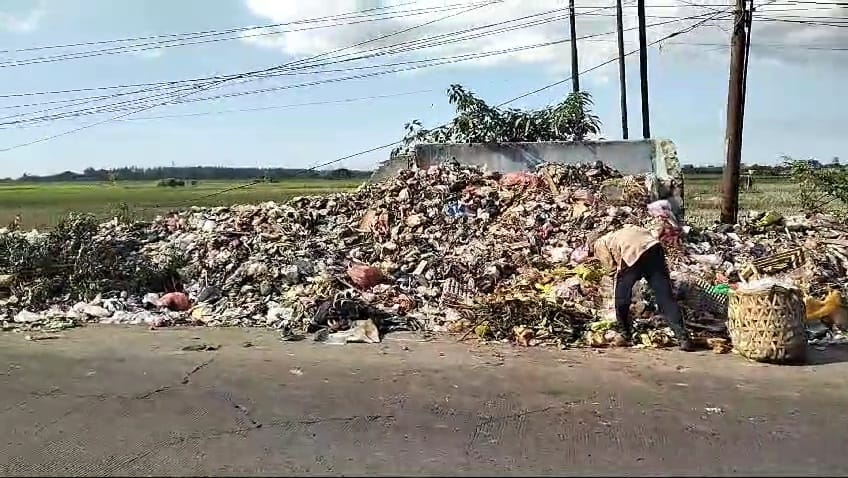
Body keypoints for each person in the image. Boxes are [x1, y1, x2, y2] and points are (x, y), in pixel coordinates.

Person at [579, 225, 696, 352]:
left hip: (634, 254)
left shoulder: (600, 243)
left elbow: (612, 270)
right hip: (654, 249)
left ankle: (625, 334)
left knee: (621, 299)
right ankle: (683, 338)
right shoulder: (625, 230)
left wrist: (619, 287)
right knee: (665, 298)